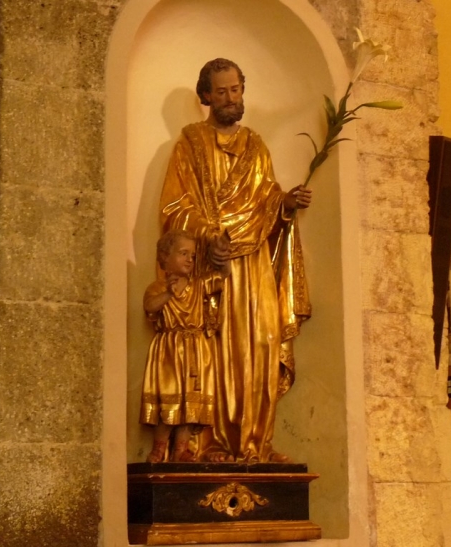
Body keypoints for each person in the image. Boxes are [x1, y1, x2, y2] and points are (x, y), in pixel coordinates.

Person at [158, 58, 312, 463]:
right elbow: (174, 207)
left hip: (255, 263)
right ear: (205, 96)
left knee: (261, 345)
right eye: (221, 91)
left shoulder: (256, 147)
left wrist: (286, 204)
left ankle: (256, 444)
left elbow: (266, 200)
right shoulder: (189, 144)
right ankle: (210, 445)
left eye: (236, 89)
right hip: (213, 266)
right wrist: (208, 235)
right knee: (217, 353)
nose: (230, 98)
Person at [139, 229, 229, 463]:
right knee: (169, 402)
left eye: (193, 255)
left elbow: (223, 278)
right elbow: (150, 306)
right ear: (165, 257)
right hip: (170, 350)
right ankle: (159, 449)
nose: (190, 259)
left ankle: (181, 449)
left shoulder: (199, 285)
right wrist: (169, 292)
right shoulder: (157, 287)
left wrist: (222, 258)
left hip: (196, 349)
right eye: (183, 253)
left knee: (190, 404)